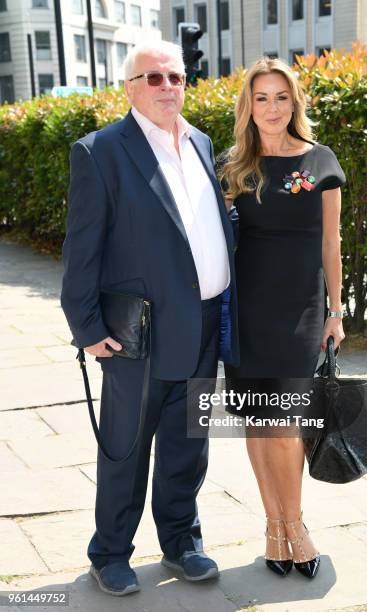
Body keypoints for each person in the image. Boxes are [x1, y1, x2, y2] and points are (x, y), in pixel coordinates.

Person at [61, 40, 239, 596]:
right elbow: (82, 248)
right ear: (130, 87)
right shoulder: (100, 151)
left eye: (176, 77)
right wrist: (87, 326)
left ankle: (182, 541)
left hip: (205, 324)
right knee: (126, 447)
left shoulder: (203, 142)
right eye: (154, 78)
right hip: (138, 334)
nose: (167, 87)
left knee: (189, 443)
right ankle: (111, 552)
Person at [218, 57, 346, 579]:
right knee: (257, 419)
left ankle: (297, 526)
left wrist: (336, 311)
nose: (272, 108)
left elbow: (330, 242)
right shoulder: (232, 167)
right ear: (249, 106)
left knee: (286, 423)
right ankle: (274, 527)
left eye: (282, 97)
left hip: (299, 310)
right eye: (262, 98)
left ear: (295, 103)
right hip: (246, 309)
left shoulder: (320, 161)